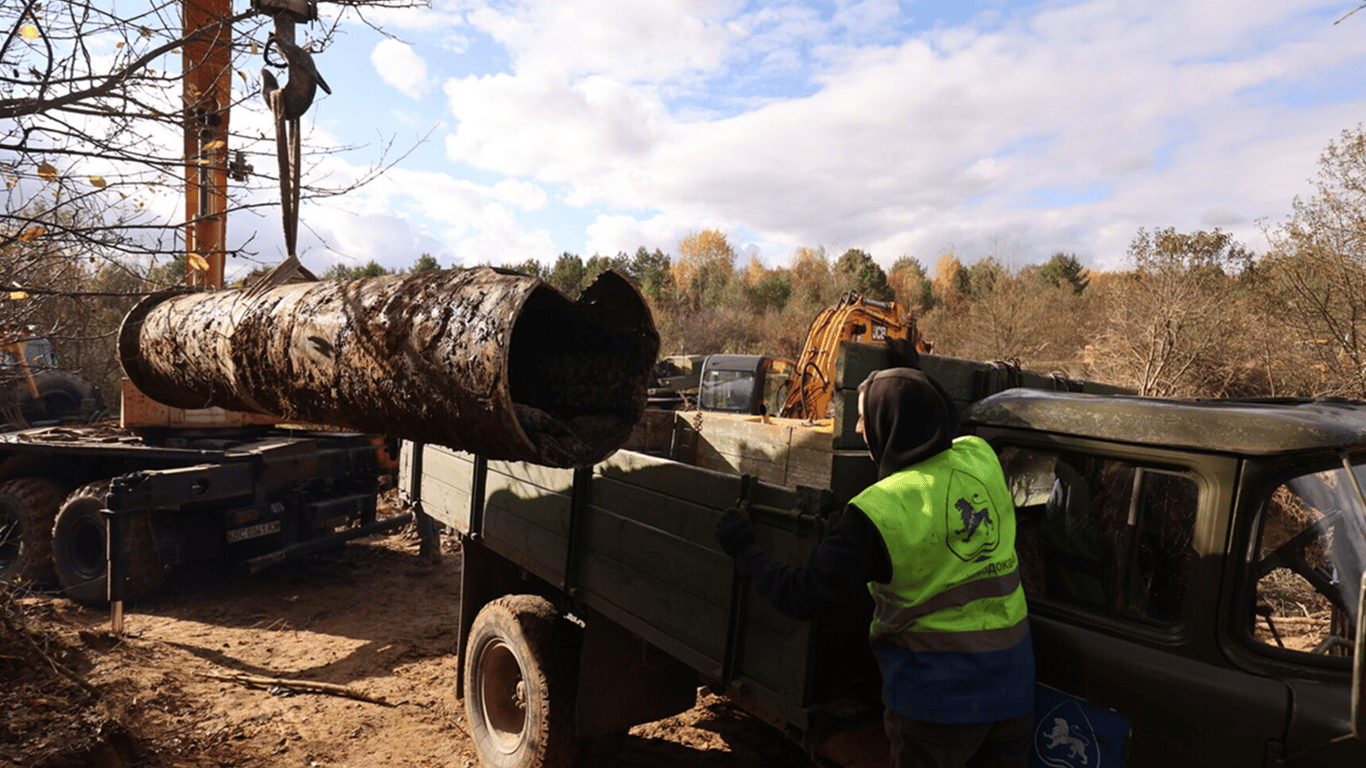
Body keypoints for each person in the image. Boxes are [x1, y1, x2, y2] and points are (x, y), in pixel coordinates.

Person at [715, 367, 1034, 768]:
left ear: (889, 424)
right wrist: (909, 374)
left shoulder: (878, 511)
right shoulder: (980, 457)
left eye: (865, 416)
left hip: (939, 703)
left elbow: (802, 595)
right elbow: (946, 419)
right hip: (1013, 687)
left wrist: (744, 549)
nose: (862, 428)